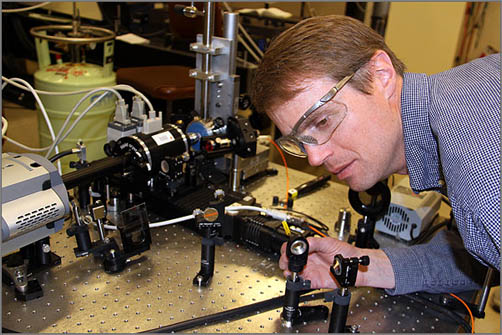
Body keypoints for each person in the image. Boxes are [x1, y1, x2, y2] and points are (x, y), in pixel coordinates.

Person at [250, 15, 500, 295]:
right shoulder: (461, 101)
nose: (315, 158)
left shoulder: (477, 159)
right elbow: (486, 258)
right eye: (300, 142)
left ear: (381, 75)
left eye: (322, 122)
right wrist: (364, 267)